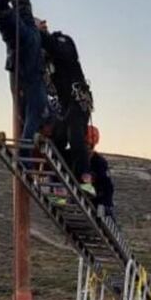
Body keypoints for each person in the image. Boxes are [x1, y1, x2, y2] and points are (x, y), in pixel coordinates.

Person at [0, 0, 50, 147]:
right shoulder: (38, 98)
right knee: (12, 5)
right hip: (29, 48)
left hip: (27, 47)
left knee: (0, 8)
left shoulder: (29, 38)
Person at [39, 21, 95, 195]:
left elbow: (61, 51)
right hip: (64, 105)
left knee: (75, 136)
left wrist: (38, 33)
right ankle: (58, 185)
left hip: (78, 99)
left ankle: (85, 182)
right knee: (57, 140)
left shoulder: (62, 41)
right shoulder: (45, 59)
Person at [86, 125, 116, 219]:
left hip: (94, 198)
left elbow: (107, 185)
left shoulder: (99, 162)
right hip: (73, 196)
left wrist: (105, 204)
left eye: (89, 145)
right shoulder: (68, 157)